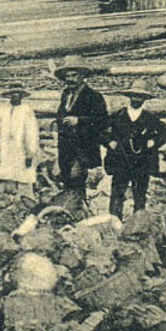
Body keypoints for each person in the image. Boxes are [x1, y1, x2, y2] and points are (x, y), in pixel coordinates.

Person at [104, 86, 166, 219]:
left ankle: (138, 224)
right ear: (129, 97)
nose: (137, 99)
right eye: (134, 96)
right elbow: (100, 131)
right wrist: (109, 142)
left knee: (140, 194)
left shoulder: (150, 118)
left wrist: (154, 141)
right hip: (121, 160)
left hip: (143, 162)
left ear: (145, 99)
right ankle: (114, 222)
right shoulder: (117, 116)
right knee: (117, 192)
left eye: (140, 97)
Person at [53, 56, 109, 215]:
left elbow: (102, 121)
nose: (70, 79)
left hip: (84, 148)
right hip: (66, 148)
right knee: (67, 180)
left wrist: (80, 121)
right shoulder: (65, 94)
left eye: (74, 75)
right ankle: (70, 212)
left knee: (78, 179)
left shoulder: (94, 96)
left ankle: (82, 213)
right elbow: (60, 115)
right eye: (67, 76)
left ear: (82, 76)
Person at [0, 82, 42, 205]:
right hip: (6, 147)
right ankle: (7, 201)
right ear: (9, 95)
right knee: (6, 174)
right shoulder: (2, 108)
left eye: (18, 94)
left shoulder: (27, 110)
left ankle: (26, 203)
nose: (15, 96)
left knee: (23, 176)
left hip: (22, 148)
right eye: (13, 94)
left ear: (22, 95)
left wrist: (31, 152)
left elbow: (32, 133)